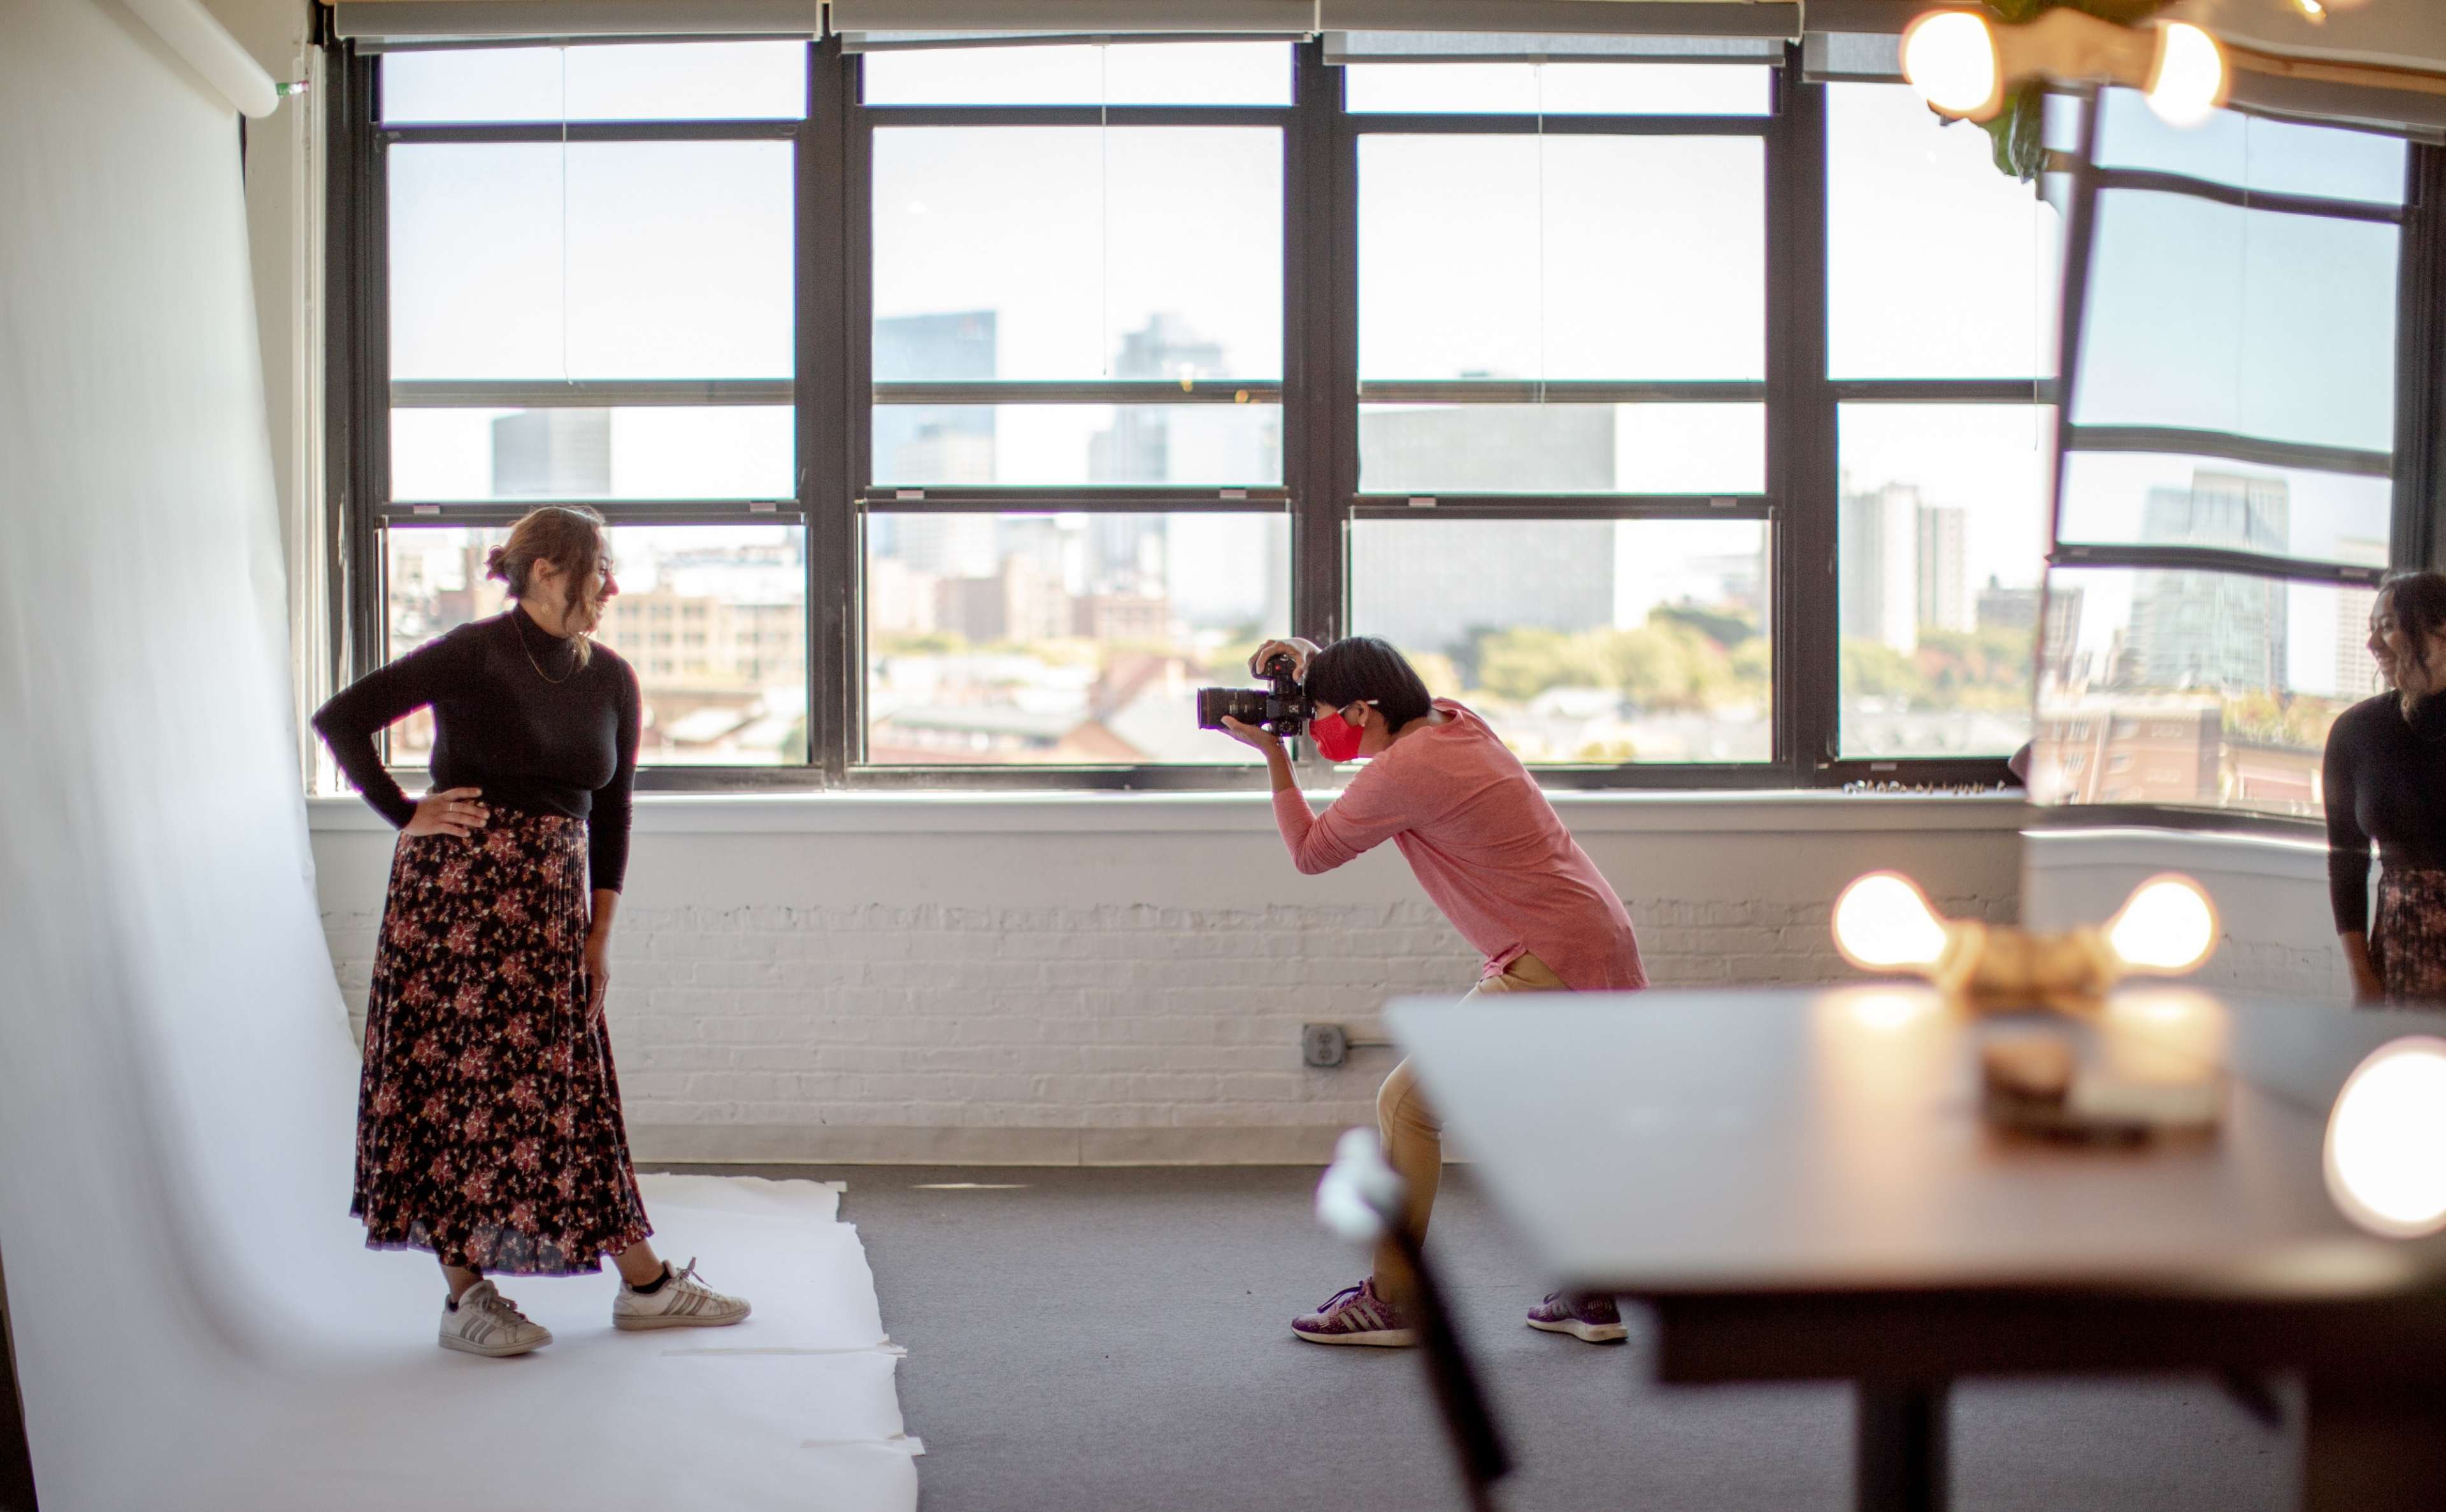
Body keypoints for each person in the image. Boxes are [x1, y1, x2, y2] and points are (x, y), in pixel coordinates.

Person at [314, 505, 749, 1357]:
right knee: (449, 1092)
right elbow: (343, 718)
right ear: (549, 570)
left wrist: (600, 936)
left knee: (571, 1089)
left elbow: (614, 813)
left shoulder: (613, 676)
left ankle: (647, 1285)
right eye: (601, 570)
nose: (612, 589)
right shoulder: (475, 650)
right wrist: (407, 813)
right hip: (454, 911)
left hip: (552, 914)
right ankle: (467, 1297)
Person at [1218, 635, 1646, 1348]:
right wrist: (1314, 660)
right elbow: (1380, 699)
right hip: (1595, 934)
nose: (1313, 727)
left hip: (1546, 954)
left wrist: (1274, 758)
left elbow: (1311, 853)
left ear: (1361, 708)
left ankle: (1393, 1299)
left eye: (1320, 712)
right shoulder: (1455, 720)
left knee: (1406, 1104)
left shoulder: (1404, 771)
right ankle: (1591, 1291)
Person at [2326, 569, 2446, 1007]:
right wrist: (2362, 977)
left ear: (2439, 629)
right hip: (2402, 956)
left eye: (2387, 627)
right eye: (2370, 629)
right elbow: (2346, 860)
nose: (2372, 644)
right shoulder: (2356, 731)